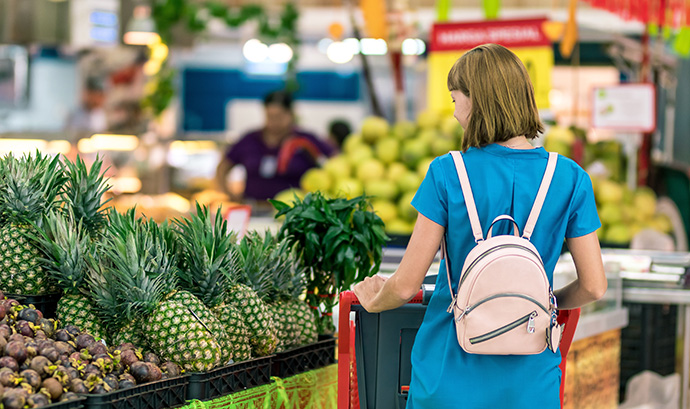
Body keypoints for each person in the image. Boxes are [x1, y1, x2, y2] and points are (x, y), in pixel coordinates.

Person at [353, 43, 607, 408]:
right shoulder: (569, 178)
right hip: (531, 378)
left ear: (477, 101)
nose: (455, 113)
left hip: (449, 372)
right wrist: (544, 303)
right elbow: (595, 286)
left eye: (455, 99)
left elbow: (407, 283)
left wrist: (374, 300)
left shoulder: (447, 173)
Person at [216, 90, 335, 203]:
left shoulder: (305, 140)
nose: (274, 122)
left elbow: (334, 161)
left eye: (279, 116)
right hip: (254, 209)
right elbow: (222, 168)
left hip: (295, 213)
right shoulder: (250, 140)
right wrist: (230, 196)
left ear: (290, 114)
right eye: (270, 116)